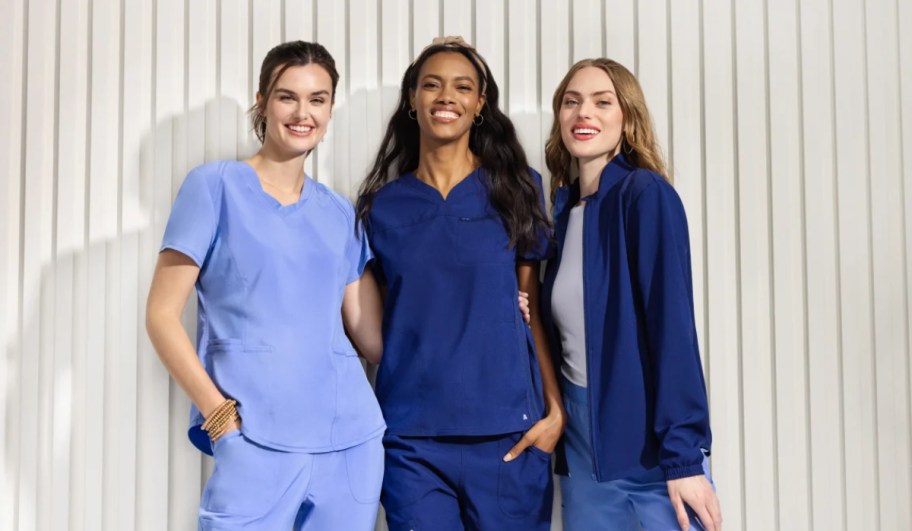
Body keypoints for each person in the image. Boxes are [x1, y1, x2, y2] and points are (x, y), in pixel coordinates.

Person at [145, 41, 386, 530]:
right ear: (262, 102)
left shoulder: (339, 211)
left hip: (350, 444)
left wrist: (492, 300)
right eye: (287, 97)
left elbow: (371, 337)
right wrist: (219, 417)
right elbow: (161, 315)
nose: (303, 113)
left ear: (331, 109)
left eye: (318, 99)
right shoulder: (214, 186)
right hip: (253, 438)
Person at [356, 36, 563, 531]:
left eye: (462, 86)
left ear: (479, 104)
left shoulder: (518, 189)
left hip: (510, 438)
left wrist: (555, 410)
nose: (446, 96)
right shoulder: (382, 208)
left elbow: (529, 307)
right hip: (413, 442)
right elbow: (375, 324)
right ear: (412, 99)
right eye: (432, 84)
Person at [540, 57, 723, 531]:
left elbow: (672, 329)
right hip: (582, 459)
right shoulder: (563, 215)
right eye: (571, 102)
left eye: (603, 102)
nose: (585, 114)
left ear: (628, 118)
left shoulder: (644, 196)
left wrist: (683, 459)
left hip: (651, 460)